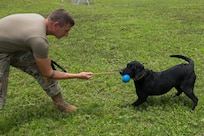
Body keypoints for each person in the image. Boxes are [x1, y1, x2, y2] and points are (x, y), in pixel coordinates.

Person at [0, 9, 93, 113]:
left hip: (9, 46)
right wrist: (78, 75)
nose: (67, 34)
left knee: (41, 66)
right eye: (66, 31)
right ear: (56, 25)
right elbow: (48, 73)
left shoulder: (38, 18)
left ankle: (59, 102)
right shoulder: (39, 40)